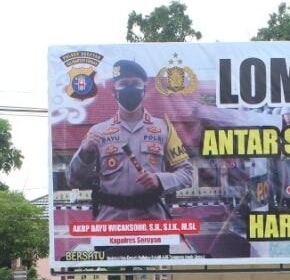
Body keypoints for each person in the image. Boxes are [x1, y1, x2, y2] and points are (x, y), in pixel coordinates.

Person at [65, 59, 194, 220]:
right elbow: (73, 181)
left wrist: (160, 180)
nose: (130, 88)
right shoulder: (97, 131)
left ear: (144, 90)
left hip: (152, 223)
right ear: (114, 91)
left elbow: (187, 173)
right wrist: (85, 153)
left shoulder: (164, 128)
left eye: (135, 83)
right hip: (110, 223)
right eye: (124, 84)